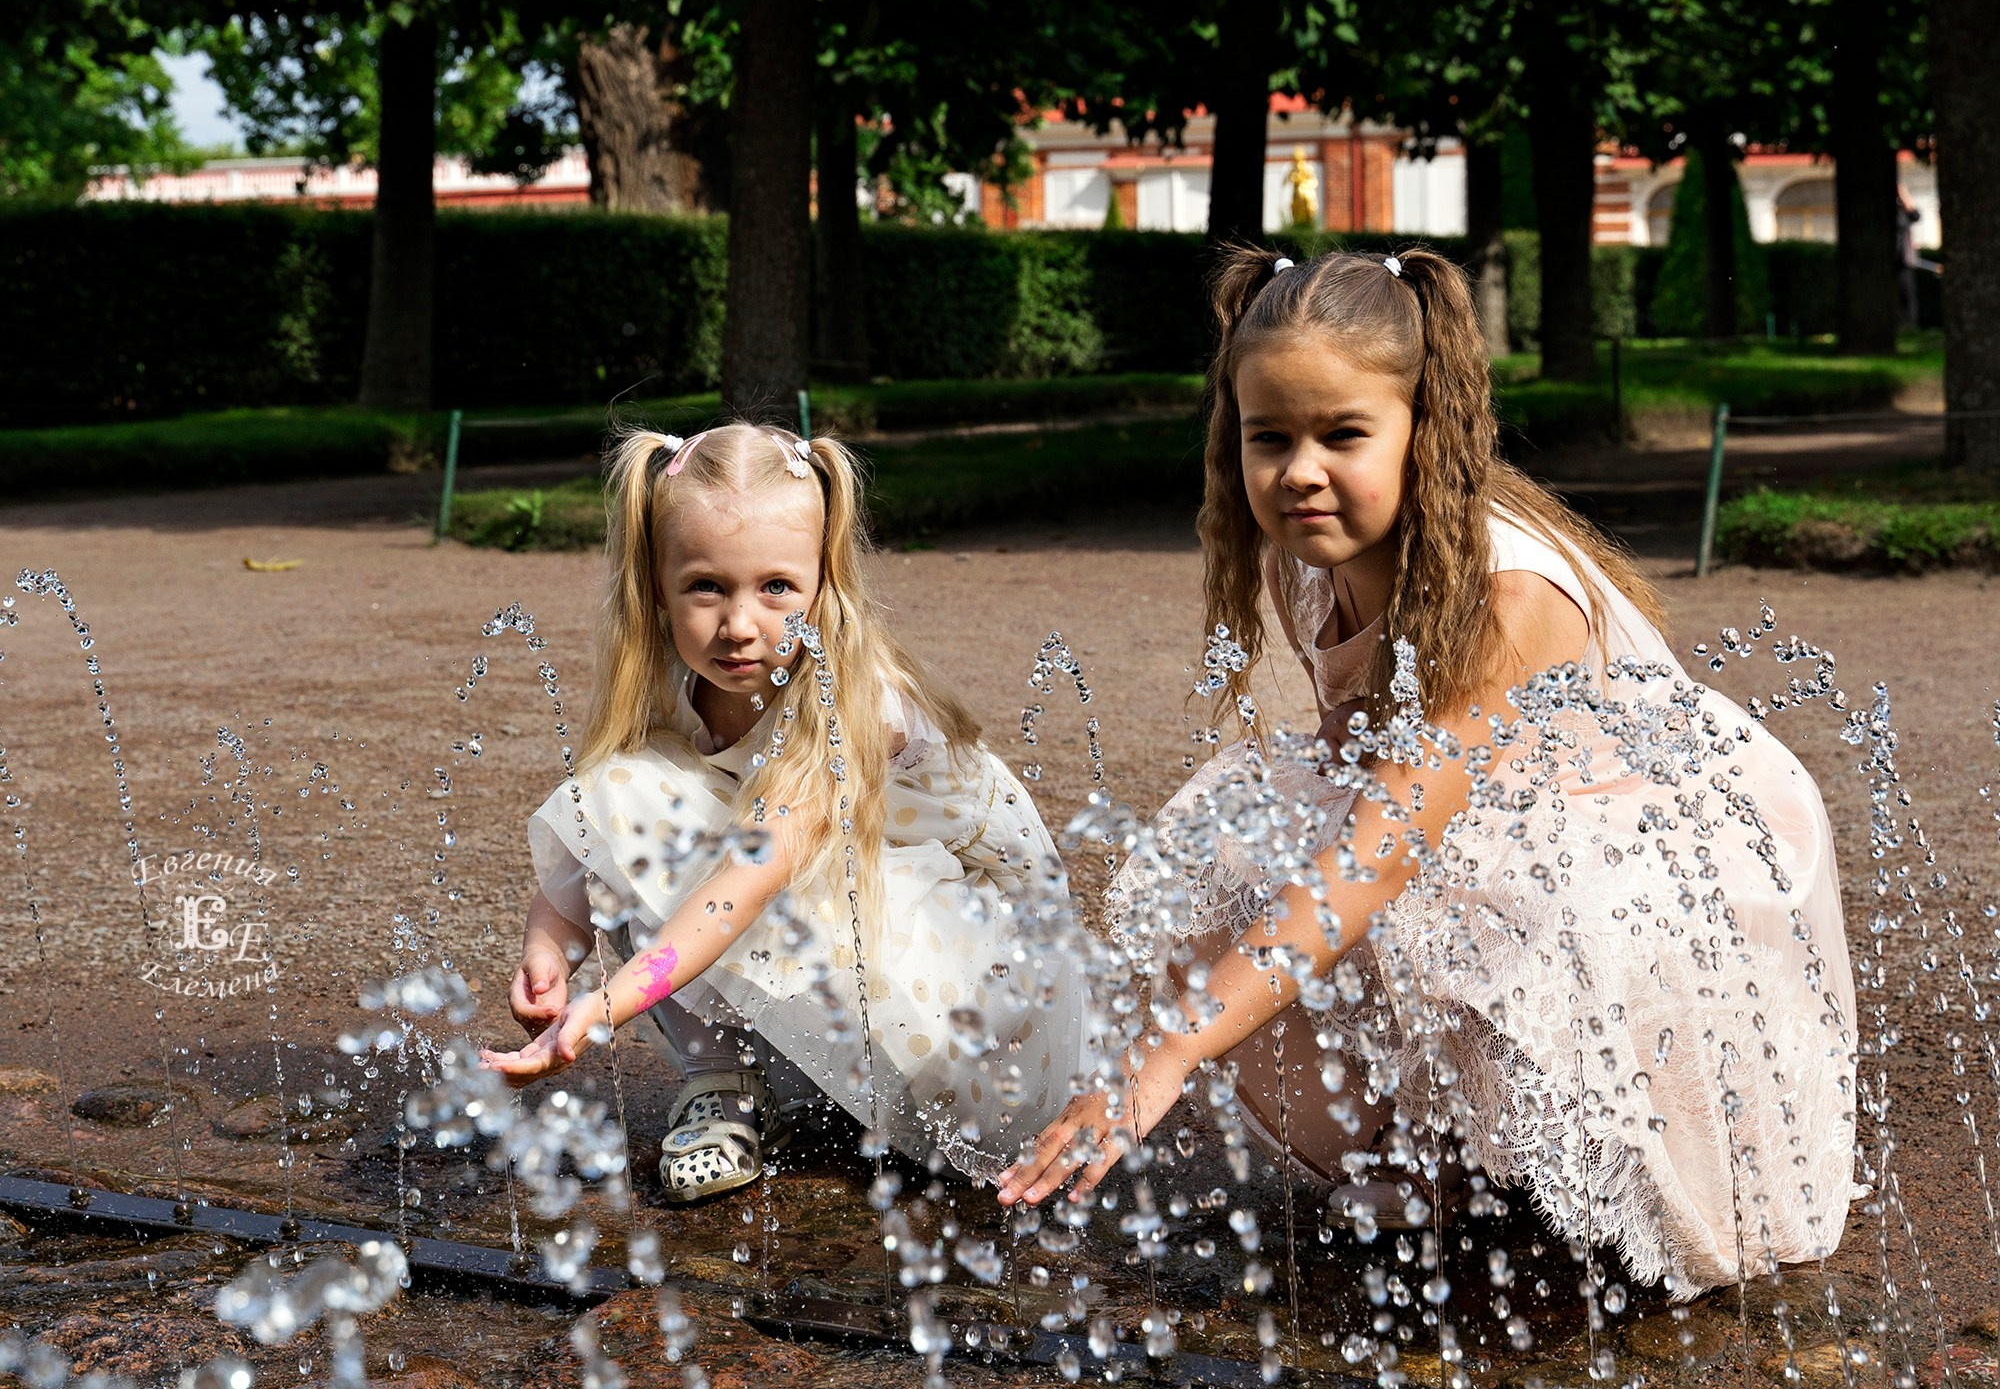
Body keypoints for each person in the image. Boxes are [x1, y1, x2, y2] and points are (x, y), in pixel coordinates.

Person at [999, 245, 1857, 1296]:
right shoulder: (1299, 561)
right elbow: (1352, 774)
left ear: (1425, 428)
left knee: (1491, 916)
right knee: (1237, 864)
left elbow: (1381, 847)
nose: (1298, 471)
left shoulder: (1509, 594)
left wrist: (1168, 1053)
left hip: (1636, 833)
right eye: (1267, 437)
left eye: (1341, 435)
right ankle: (1429, 1160)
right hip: (1469, 812)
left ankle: (1595, 1198)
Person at [485, 422, 1088, 1199]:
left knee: (735, 875)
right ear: (655, 584)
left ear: (823, 580)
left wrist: (609, 1002)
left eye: (776, 588)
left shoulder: (856, 700)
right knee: (627, 786)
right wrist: (551, 946)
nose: (740, 625)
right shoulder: (671, 682)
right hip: (843, 912)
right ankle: (723, 1085)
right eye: (706, 586)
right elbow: (600, 827)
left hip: (971, 976)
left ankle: (840, 1092)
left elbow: (751, 878)